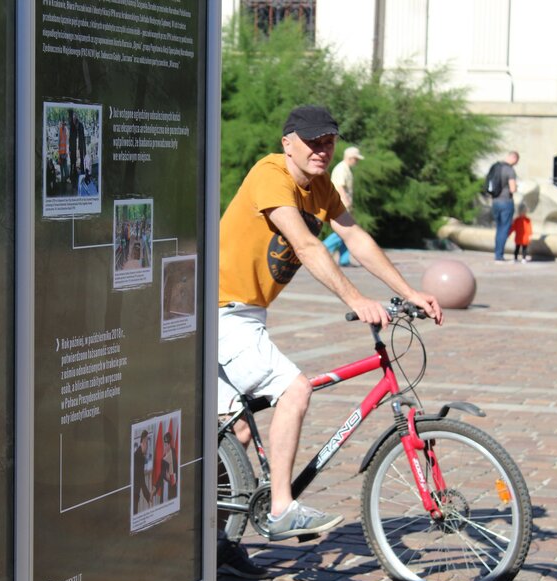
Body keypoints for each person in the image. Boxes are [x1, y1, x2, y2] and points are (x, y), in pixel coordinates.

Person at [218, 105, 443, 543]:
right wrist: (356, 299)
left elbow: (355, 237)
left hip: (246, 312)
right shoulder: (270, 174)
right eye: (312, 141)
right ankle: (282, 509)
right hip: (219, 307)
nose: (322, 149)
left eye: (328, 141)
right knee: (294, 389)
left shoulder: (321, 188)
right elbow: (304, 244)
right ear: (288, 143)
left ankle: (218, 544)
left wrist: (410, 291)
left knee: (238, 430)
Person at [322, 146, 364, 266]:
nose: (357, 161)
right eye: (356, 159)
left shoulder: (346, 169)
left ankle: (344, 260)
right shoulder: (342, 169)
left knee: (346, 233)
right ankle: (322, 249)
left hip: (344, 205)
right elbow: (339, 187)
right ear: (351, 158)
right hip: (340, 205)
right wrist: (346, 202)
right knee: (343, 232)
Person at [491, 151, 520, 262]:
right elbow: (512, 189)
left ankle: (497, 253)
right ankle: (499, 255)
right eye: (516, 162)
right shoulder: (509, 170)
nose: (515, 164)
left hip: (495, 201)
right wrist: (516, 187)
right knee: (504, 229)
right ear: (514, 158)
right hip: (506, 202)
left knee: (499, 228)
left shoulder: (496, 167)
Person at [132, 430, 152, 514]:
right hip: (133, 494)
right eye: (147, 444)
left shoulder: (140, 455)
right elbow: (141, 480)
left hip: (135, 493)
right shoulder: (138, 456)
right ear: (143, 442)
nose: (147, 447)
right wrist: (148, 496)